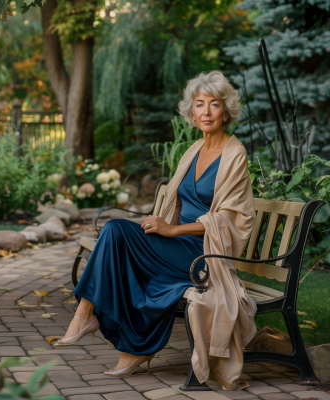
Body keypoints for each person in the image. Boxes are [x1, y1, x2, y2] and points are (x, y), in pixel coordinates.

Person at [55, 71, 257, 388]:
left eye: (214, 105)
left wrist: (172, 231)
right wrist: (159, 224)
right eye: (199, 104)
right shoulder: (193, 150)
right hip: (177, 248)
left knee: (118, 234)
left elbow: (231, 220)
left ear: (226, 111)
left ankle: (95, 320)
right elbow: (176, 203)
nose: (205, 112)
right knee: (115, 232)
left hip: (204, 254)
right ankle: (101, 323)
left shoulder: (234, 154)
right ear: (191, 111)